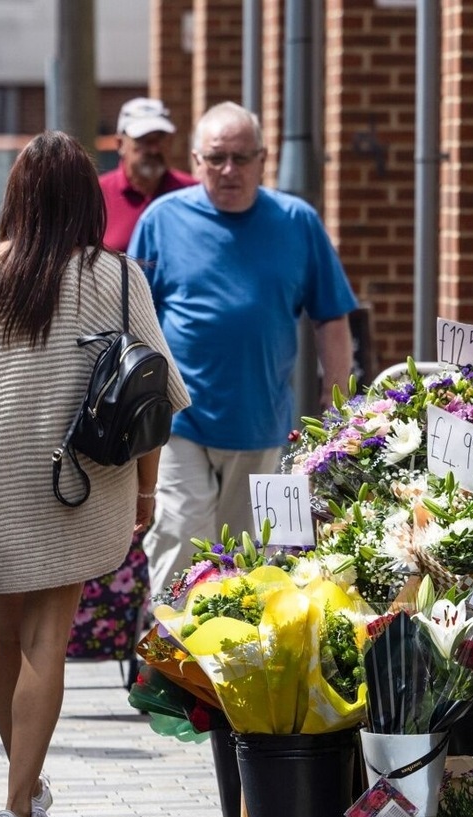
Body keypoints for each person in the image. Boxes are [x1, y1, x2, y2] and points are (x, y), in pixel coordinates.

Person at [0, 131, 189, 817]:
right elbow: (155, 392)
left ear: (18, 196)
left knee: (5, 638)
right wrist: (145, 493)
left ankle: (25, 796)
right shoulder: (119, 275)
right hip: (77, 477)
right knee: (46, 642)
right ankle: (17, 810)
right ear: (84, 200)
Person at [129, 101, 357, 596]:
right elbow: (132, 319)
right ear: (194, 161)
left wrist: (337, 398)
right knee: (182, 538)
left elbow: (331, 316)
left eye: (240, 157)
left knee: (252, 559)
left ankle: (234, 664)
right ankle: (172, 661)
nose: (228, 170)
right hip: (176, 420)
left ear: (263, 159)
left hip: (262, 421)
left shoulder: (297, 221)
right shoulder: (161, 220)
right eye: (215, 158)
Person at [99, 97, 197, 252]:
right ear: (120, 144)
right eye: (143, 140)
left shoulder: (192, 193)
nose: (154, 150)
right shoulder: (96, 196)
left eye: (160, 139)